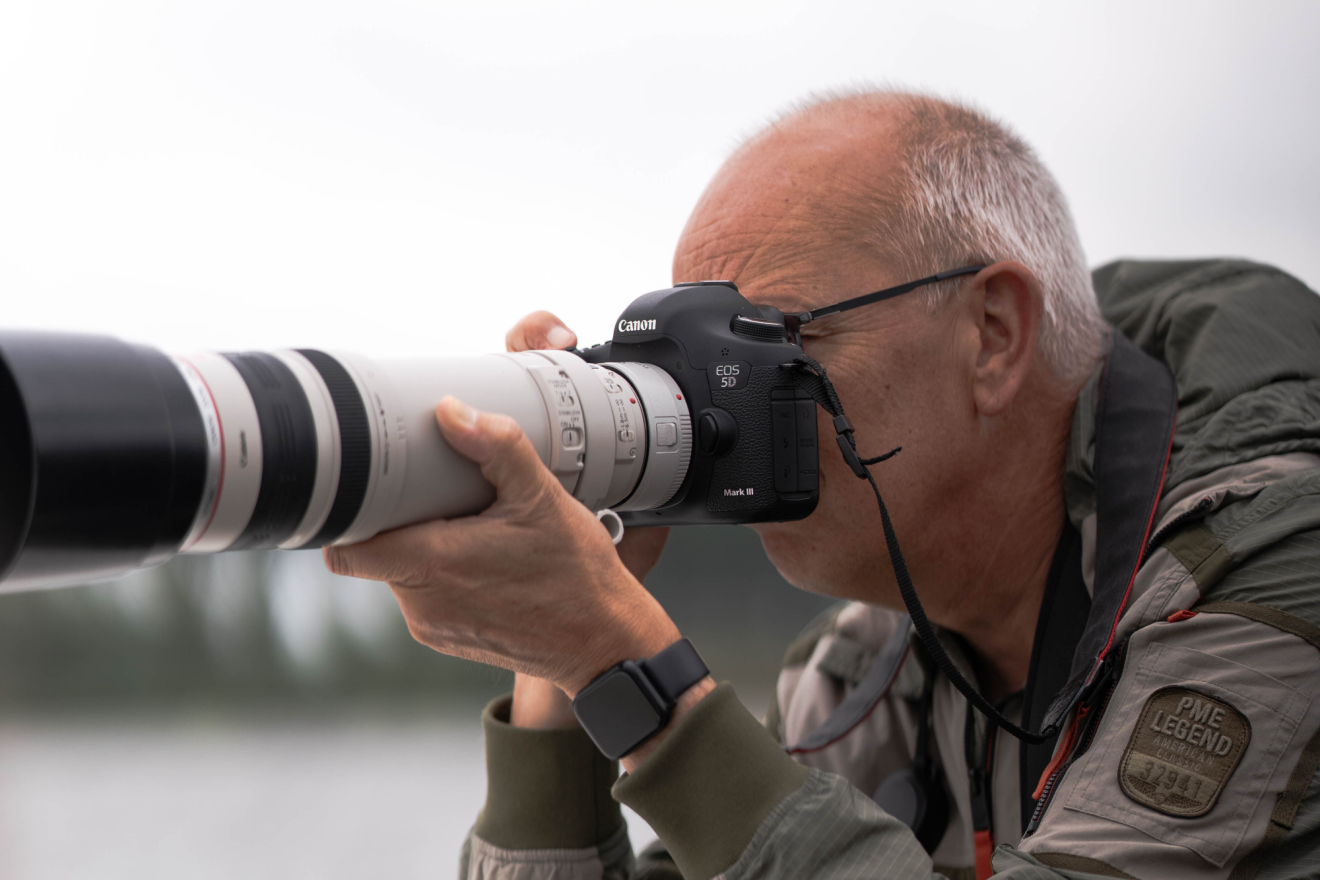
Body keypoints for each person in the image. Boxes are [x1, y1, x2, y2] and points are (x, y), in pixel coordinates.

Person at [324, 89, 1320, 879]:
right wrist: (552, 653)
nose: (729, 411)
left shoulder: (1272, 565)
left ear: (995, 335)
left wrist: (623, 660)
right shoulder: (872, 661)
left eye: (772, 342)